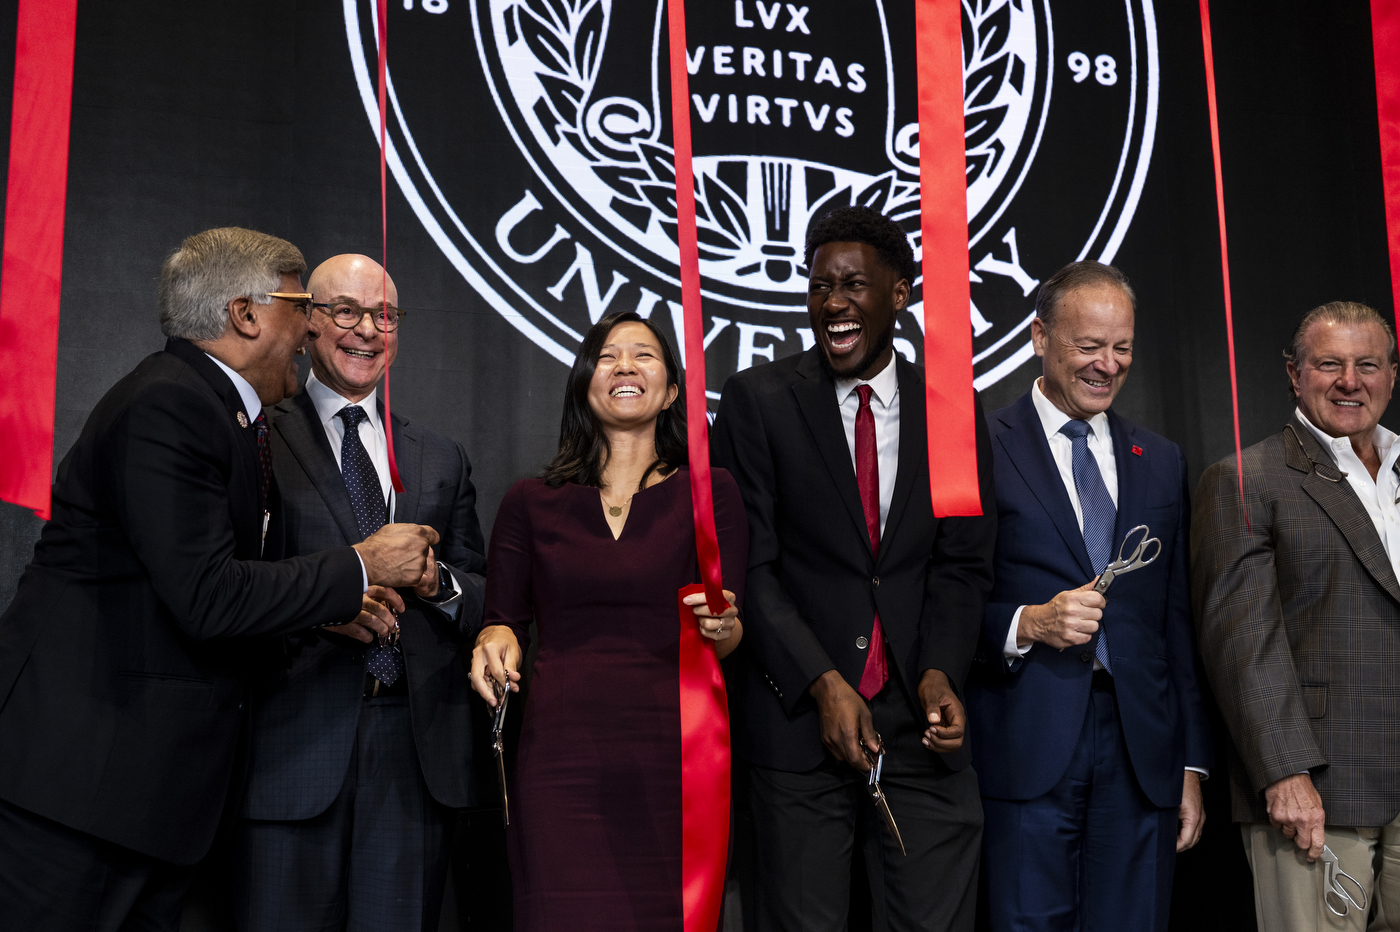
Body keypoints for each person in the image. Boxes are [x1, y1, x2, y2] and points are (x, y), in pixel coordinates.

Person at [0, 228, 439, 931]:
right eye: (306, 306)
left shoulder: (218, 409)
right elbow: (206, 596)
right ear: (247, 313)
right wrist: (362, 563)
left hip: (138, 794)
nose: (314, 327)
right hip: (80, 786)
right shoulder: (169, 404)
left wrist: (321, 608)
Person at [710, 205, 997, 932]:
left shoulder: (953, 412)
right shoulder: (757, 402)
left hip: (918, 730)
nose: (832, 303)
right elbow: (755, 566)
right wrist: (823, 683)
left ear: (899, 294)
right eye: (818, 286)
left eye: (853, 285)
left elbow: (962, 567)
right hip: (800, 724)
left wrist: (939, 673)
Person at [470, 310, 747, 931]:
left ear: (673, 388)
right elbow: (502, 620)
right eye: (608, 355)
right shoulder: (529, 501)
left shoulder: (711, 493)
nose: (625, 365)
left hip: (673, 754)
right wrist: (493, 642)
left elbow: (731, 628)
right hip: (559, 755)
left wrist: (724, 627)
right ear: (583, 383)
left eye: (644, 355)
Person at [233, 255, 487, 930]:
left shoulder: (440, 455)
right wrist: (326, 608)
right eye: (347, 311)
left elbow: (483, 600)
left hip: (411, 753)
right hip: (289, 744)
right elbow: (224, 586)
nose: (367, 330)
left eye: (385, 315)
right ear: (309, 322)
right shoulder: (258, 435)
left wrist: (437, 580)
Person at [964, 260, 1212, 932]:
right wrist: (1027, 624)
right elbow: (945, 601)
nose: (1108, 364)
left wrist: (1189, 762)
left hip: (1141, 753)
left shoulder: (1160, 459)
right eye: (1088, 346)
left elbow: (1174, 624)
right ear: (1040, 337)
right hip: (1025, 741)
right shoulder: (978, 447)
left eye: (1123, 346)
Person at [1193, 301, 1400, 930]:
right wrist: (1284, 773)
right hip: (1317, 793)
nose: (1350, 381)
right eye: (1328, 364)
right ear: (1293, 374)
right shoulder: (1247, 480)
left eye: (1368, 364)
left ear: (1392, 374)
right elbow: (1243, 648)